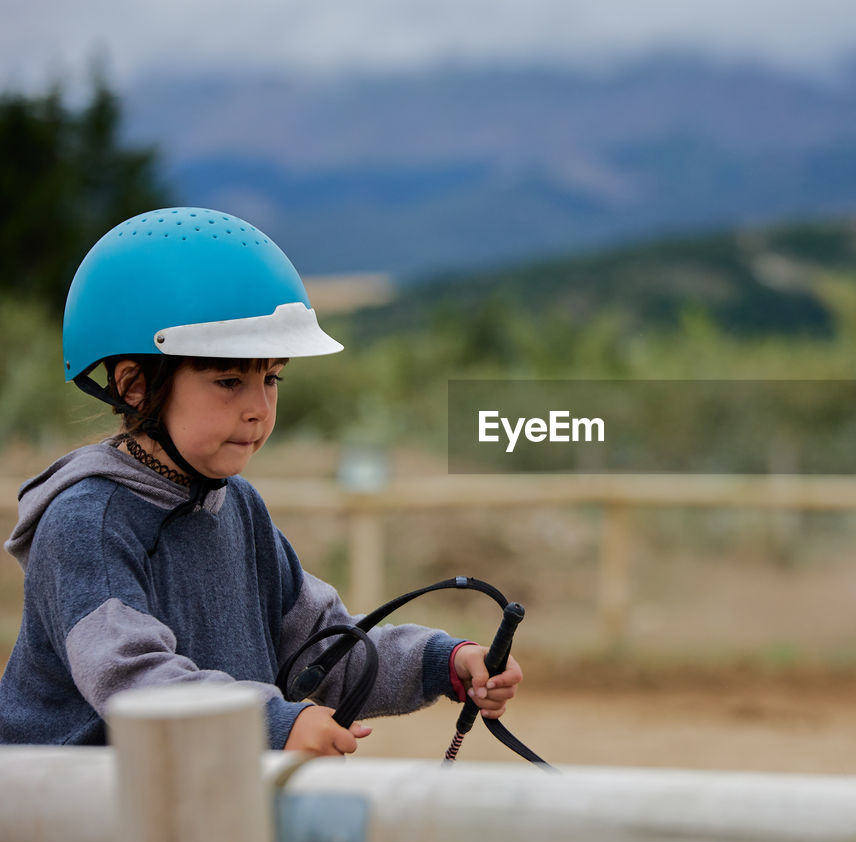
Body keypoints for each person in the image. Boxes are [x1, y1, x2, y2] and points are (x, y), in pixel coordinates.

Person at [0, 207, 521, 755]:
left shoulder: (236, 505)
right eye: (228, 380)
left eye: (270, 378)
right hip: (76, 814)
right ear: (133, 385)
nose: (259, 409)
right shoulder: (87, 522)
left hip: (192, 803)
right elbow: (135, 684)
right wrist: (274, 723)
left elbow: (317, 652)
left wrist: (443, 662)